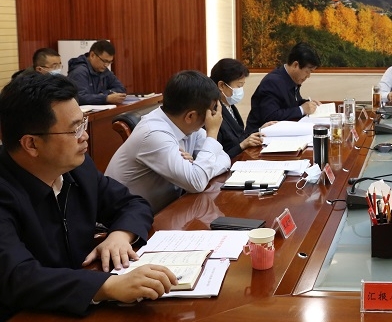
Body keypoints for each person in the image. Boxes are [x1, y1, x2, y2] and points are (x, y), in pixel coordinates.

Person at [0, 72, 176, 319]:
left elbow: (132, 203)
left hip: (78, 303)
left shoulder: (77, 168)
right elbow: (17, 277)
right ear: (31, 144)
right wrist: (107, 286)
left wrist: (120, 235)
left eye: (83, 123)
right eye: (74, 130)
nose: (85, 136)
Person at [105, 70, 230, 213]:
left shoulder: (186, 126)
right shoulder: (154, 133)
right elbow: (197, 182)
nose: (211, 119)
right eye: (210, 114)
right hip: (125, 217)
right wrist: (212, 134)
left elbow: (224, 159)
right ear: (190, 116)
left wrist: (198, 167)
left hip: (164, 210)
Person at [244, 42, 321, 133]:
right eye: (308, 71)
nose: (308, 76)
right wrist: (302, 109)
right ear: (295, 65)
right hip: (259, 136)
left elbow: (289, 103)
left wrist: (307, 103)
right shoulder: (272, 82)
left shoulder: (291, 78)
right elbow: (270, 116)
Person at [210, 58, 264, 158]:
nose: (240, 90)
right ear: (221, 85)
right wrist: (242, 145)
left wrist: (261, 130)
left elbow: (240, 135)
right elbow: (215, 156)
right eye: (238, 86)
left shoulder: (228, 105)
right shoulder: (213, 112)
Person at [67, 40, 127, 105]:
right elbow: (79, 98)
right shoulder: (79, 72)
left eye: (109, 62)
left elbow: (121, 89)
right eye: (104, 61)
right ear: (92, 55)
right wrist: (105, 98)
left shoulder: (104, 70)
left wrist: (103, 94)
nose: (106, 65)